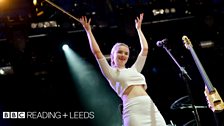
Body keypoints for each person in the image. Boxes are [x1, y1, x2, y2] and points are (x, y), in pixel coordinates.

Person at [79, 13, 167, 126]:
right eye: (119, 52)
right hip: (133, 110)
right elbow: (97, 52)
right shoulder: (111, 72)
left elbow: (145, 49)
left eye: (126, 53)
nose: (123, 55)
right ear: (112, 55)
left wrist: (139, 29)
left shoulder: (134, 69)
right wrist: (88, 31)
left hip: (150, 107)